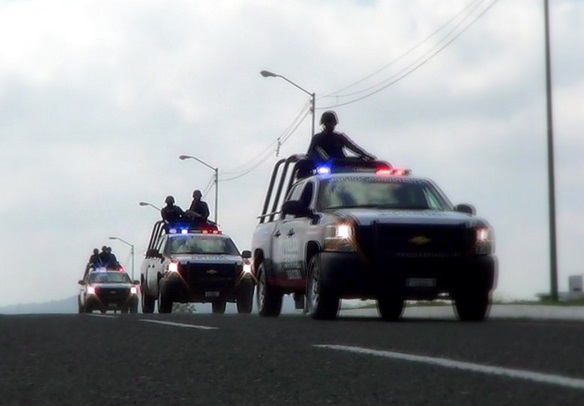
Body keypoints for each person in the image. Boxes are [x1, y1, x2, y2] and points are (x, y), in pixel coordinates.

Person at [306, 111, 376, 161]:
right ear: (324, 123)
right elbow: (310, 153)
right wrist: (318, 158)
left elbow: (353, 147)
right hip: (323, 165)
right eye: (328, 122)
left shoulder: (339, 137)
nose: (331, 125)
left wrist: (366, 155)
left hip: (340, 164)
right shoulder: (317, 138)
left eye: (332, 123)